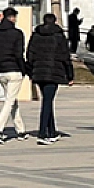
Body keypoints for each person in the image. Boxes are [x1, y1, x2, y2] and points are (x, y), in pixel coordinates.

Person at [25, 13, 73, 146]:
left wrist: (30, 71)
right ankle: (42, 133)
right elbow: (65, 57)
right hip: (54, 72)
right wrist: (70, 76)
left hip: (39, 73)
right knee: (47, 102)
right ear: (55, 21)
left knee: (47, 100)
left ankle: (51, 131)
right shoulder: (59, 36)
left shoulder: (36, 35)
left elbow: (30, 54)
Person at [0, 7, 29, 143]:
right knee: (9, 101)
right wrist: (24, 69)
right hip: (14, 70)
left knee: (12, 100)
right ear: (12, 18)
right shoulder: (17, 33)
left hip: (1, 72)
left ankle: (20, 130)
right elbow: (18, 54)